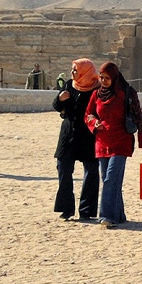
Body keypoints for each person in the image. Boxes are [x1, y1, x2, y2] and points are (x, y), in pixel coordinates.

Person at [85, 61, 142, 228]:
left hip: (121, 141)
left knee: (111, 178)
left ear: (114, 77)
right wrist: (93, 123)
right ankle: (118, 215)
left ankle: (106, 216)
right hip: (102, 142)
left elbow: (138, 116)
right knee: (110, 180)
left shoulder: (126, 93)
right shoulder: (97, 94)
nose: (103, 81)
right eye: (101, 77)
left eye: (107, 78)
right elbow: (88, 114)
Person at [53, 58, 101, 220]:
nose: (73, 73)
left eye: (76, 70)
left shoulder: (97, 88)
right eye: (72, 70)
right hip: (68, 134)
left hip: (88, 136)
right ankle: (66, 208)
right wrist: (60, 100)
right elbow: (57, 106)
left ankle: (86, 210)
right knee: (63, 168)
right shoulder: (69, 85)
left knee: (91, 172)